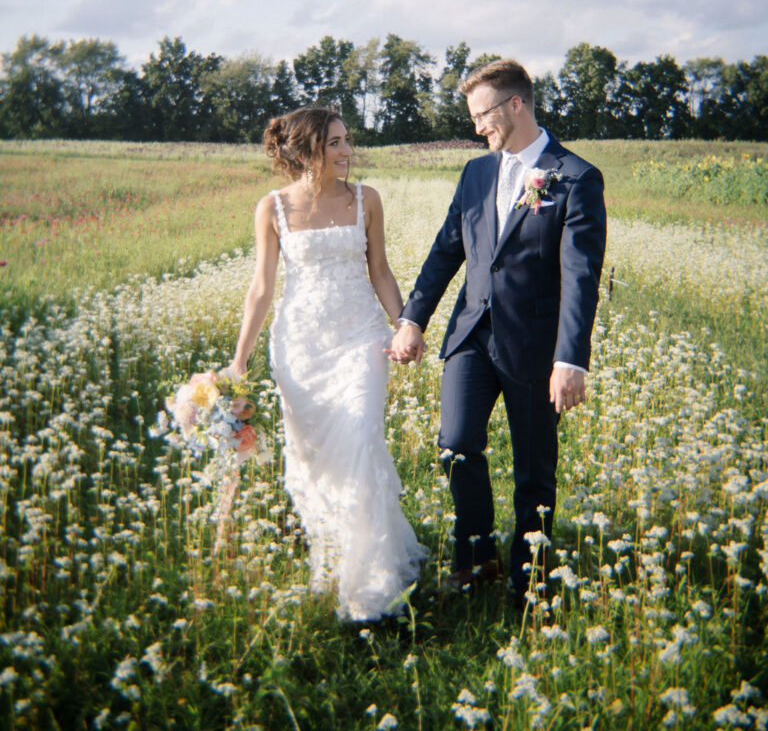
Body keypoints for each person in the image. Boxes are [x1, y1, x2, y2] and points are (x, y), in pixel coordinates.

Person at [389, 59, 606, 604]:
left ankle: (528, 577)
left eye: (483, 114)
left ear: (516, 105)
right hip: (471, 336)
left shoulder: (575, 177)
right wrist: (414, 318)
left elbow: (580, 276)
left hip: (534, 346)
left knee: (534, 466)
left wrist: (570, 360)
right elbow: (447, 250)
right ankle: (476, 556)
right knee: (456, 445)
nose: (477, 127)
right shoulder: (476, 173)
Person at [220, 107, 425, 622]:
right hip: (300, 350)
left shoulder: (367, 199)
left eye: (346, 141)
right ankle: (333, 559)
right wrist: (238, 361)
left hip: (361, 340)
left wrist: (404, 324)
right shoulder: (271, 208)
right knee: (314, 461)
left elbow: (379, 270)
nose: (346, 152)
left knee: (359, 441)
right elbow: (262, 288)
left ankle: (372, 587)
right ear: (305, 150)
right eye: (334, 143)